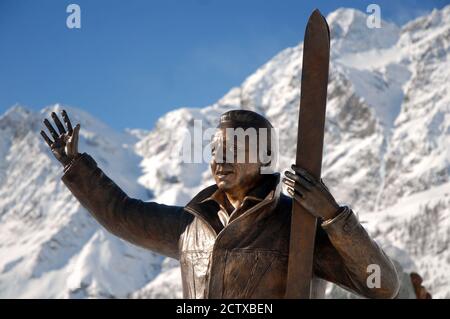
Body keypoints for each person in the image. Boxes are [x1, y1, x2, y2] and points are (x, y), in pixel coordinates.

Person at [40, 109, 400, 299]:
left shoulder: (297, 226)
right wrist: (77, 167)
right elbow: (121, 214)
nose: (220, 159)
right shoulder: (190, 226)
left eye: (235, 149)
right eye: (214, 150)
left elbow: (381, 286)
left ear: (263, 157)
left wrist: (334, 218)